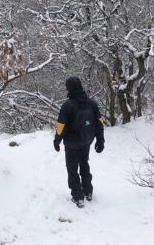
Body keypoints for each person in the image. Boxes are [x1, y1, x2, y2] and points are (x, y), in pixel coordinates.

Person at [53, 76, 105, 208]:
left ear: (69, 88)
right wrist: (100, 140)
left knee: (72, 169)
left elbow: (61, 126)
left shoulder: (67, 106)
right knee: (84, 164)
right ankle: (88, 192)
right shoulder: (92, 104)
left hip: (71, 144)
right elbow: (99, 123)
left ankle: (77, 197)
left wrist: (57, 140)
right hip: (86, 141)